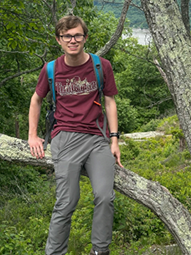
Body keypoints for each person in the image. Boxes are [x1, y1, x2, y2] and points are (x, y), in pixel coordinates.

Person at [28, 15, 123, 255]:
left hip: (97, 139)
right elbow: (36, 99)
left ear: (85, 37)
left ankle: (100, 251)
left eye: (77, 35)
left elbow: (110, 101)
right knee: (67, 201)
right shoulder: (51, 69)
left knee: (104, 196)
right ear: (59, 40)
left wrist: (114, 139)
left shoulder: (101, 66)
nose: (73, 40)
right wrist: (32, 135)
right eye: (67, 36)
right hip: (65, 137)